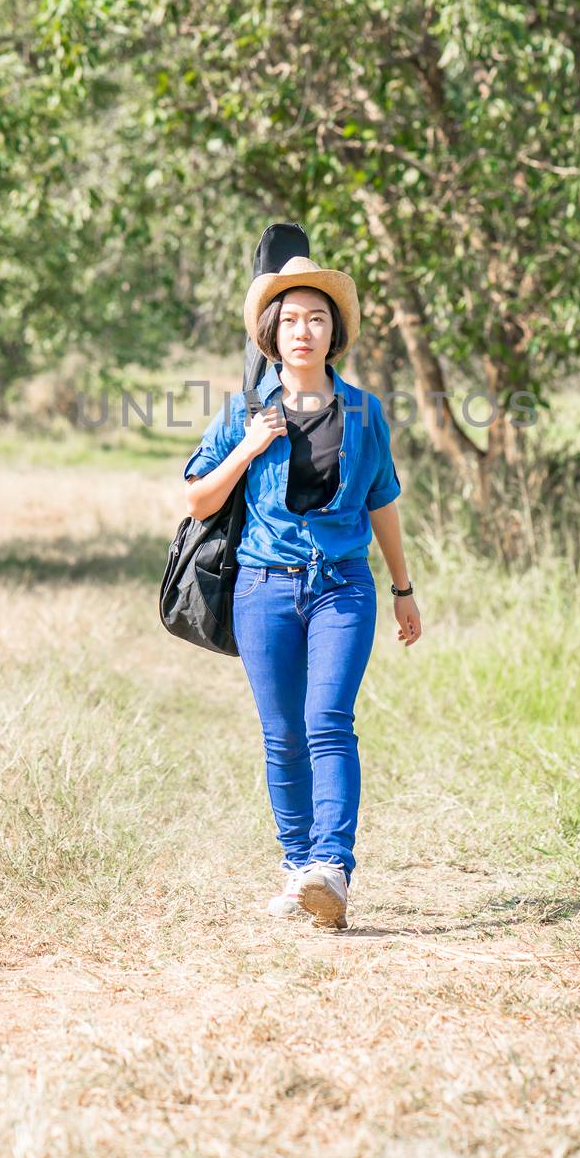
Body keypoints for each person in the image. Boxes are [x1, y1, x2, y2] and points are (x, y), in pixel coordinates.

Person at [183, 254, 421, 930]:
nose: (304, 331)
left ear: (334, 331)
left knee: (327, 723)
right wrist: (247, 448)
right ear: (272, 332)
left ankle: (332, 871)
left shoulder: (366, 413)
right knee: (282, 733)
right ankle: (298, 874)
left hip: (343, 587)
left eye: (318, 318)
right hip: (261, 588)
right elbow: (199, 501)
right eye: (291, 319)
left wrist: (403, 587)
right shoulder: (245, 412)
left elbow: (383, 503)